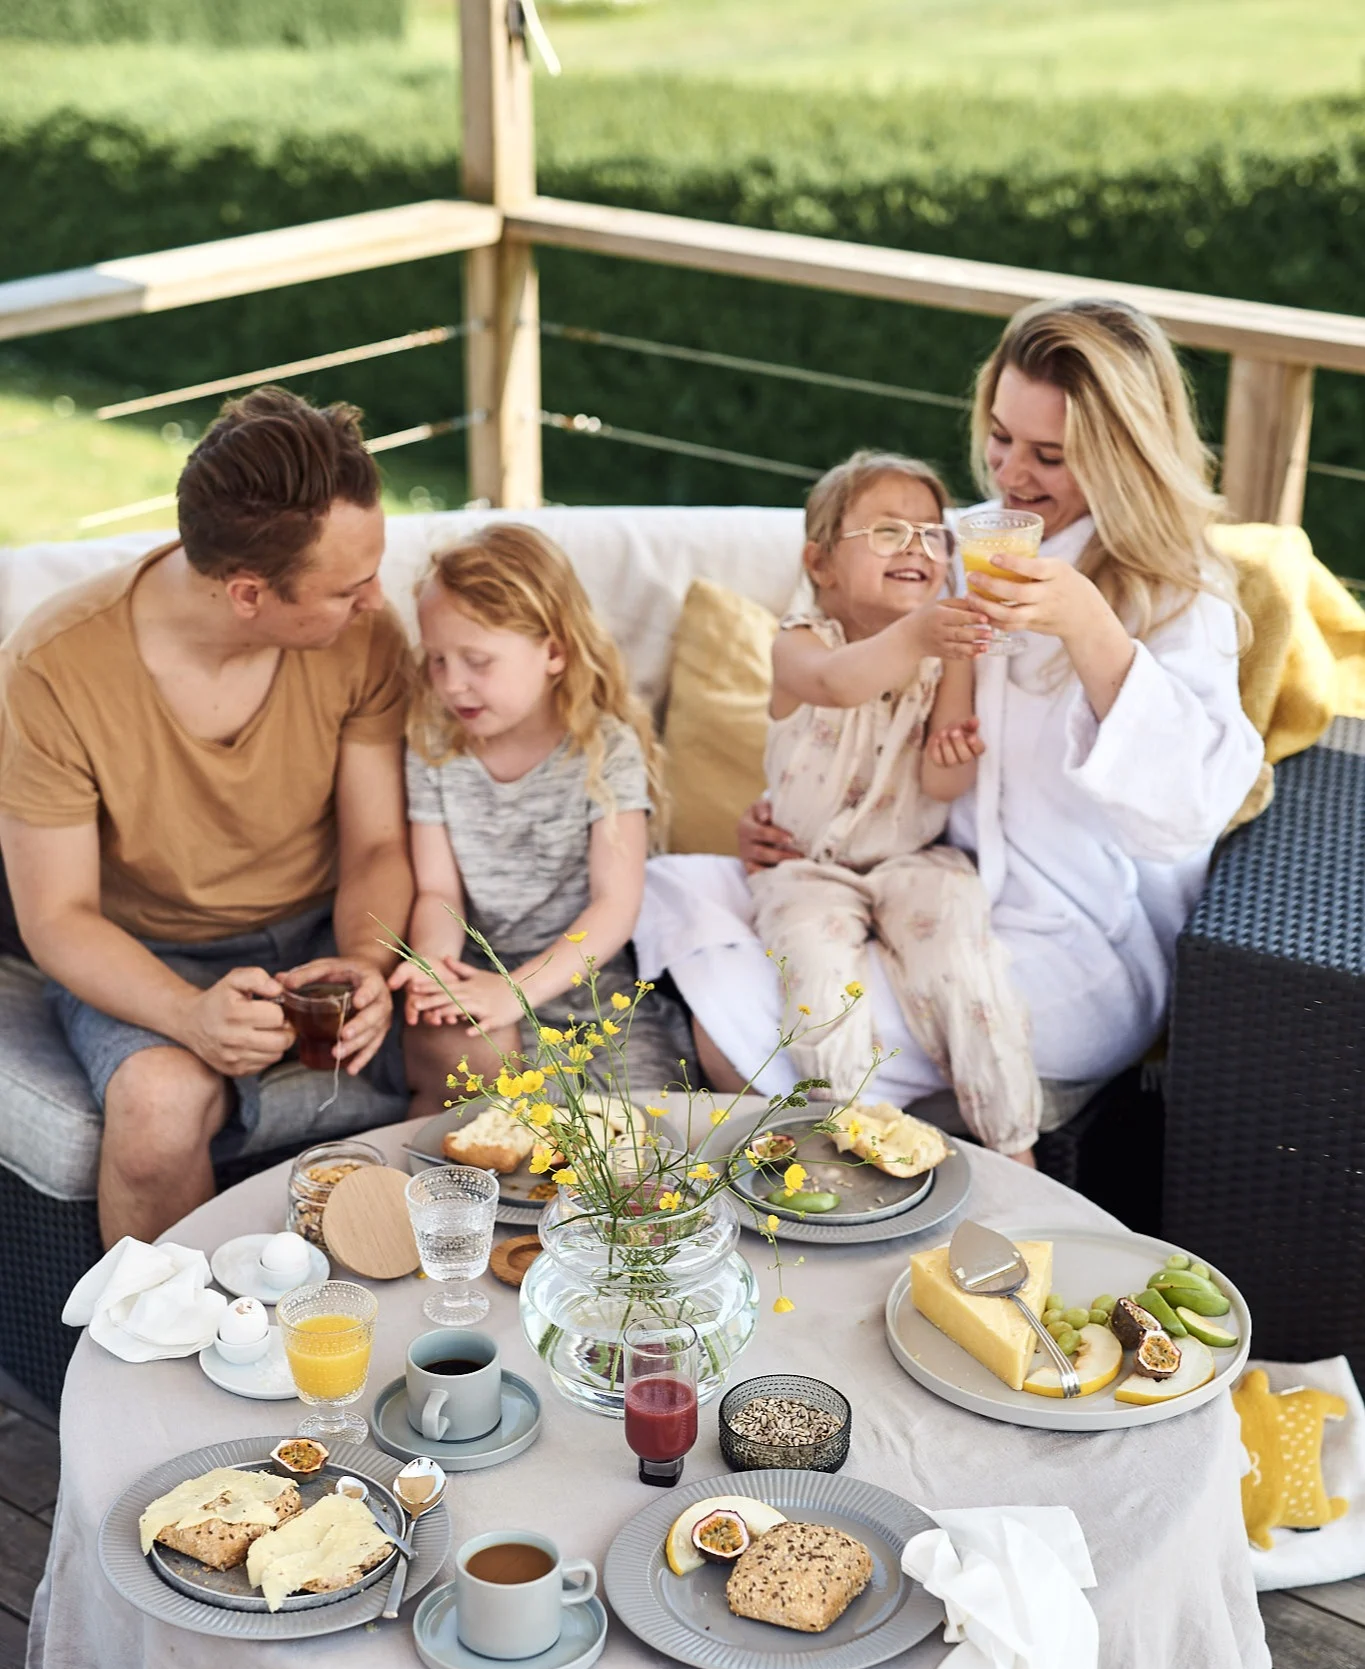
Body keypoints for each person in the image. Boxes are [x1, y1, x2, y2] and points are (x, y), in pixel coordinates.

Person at [635, 296, 1265, 1120]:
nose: (1007, 474)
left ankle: (906, 1176)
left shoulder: (1180, 599)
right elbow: (855, 695)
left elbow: (1184, 816)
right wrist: (801, 813)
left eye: (1048, 454)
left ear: (1123, 457)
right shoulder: (968, 549)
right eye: (1000, 437)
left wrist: (1086, 624)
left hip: (1066, 950)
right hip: (913, 881)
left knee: (763, 1024)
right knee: (681, 895)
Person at [0, 387, 414, 1247]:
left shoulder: (365, 640)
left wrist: (368, 964)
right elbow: (57, 917)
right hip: (149, 953)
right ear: (248, 595)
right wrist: (190, 1016)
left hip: (323, 928)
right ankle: (155, 1374)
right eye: (349, 587)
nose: (374, 601)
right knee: (156, 1109)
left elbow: (377, 841)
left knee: (480, 1054)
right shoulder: (52, 669)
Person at [751, 449, 1040, 1160]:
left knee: (963, 961)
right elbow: (835, 683)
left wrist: (953, 760)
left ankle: (1013, 1143)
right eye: (886, 532)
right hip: (807, 867)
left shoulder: (950, 654)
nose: (916, 545)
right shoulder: (799, 642)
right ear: (820, 564)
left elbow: (942, 788)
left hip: (913, 857)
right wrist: (915, 636)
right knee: (818, 982)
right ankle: (857, 1136)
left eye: (931, 533)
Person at [389, 523, 665, 1112]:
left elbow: (614, 904)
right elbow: (439, 890)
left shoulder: (605, 748)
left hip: (587, 986)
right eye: (437, 660)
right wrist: (434, 966)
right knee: (486, 1123)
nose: (450, 683)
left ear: (555, 652)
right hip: (482, 978)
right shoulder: (434, 745)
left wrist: (517, 991)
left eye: (477, 661)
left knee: (644, 1132)